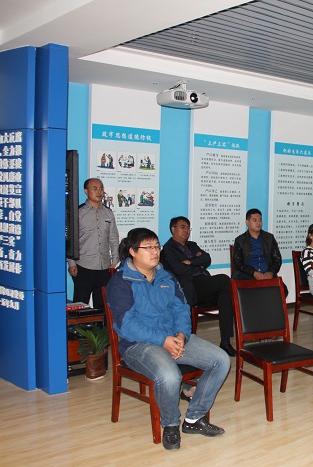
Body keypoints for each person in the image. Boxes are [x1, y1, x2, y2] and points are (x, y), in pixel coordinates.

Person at [106, 228, 230, 451]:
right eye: (148, 247)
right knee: (170, 375)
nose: (155, 252)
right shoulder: (121, 281)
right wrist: (163, 340)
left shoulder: (166, 276)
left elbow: (181, 308)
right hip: (138, 345)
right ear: (132, 251)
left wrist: (181, 335)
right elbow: (128, 324)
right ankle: (171, 424)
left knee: (221, 360)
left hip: (173, 337)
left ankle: (194, 418)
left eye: (157, 246)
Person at [161, 216, 236, 356]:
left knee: (224, 295)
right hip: (190, 287)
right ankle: (237, 325)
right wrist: (197, 261)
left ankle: (225, 342)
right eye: (182, 227)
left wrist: (190, 261)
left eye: (188, 228)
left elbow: (207, 258)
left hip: (203, 283)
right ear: (173, 229)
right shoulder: (168, 249)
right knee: (224, 280)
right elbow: (179, 269)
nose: (186, 231)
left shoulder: (192, 245)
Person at [68, 178, 120, 308]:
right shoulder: (78, 213)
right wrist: (71, 263)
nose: (99, 192)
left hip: (104, 267)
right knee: (80, 304)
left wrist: (115, 261)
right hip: (83, 266)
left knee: (103, 306)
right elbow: (70, 240)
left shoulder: (108, 213)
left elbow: (113, 238)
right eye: (95, 188)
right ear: (86, 191)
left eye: (101, 188)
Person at [232, 208, 287, 296]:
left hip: (267, 274)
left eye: (260, 220)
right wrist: (254, 273)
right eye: (255, 220)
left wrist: (271, 272)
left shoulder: (269, 238)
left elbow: (277, 259)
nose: (258, 223)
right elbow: (237, 263)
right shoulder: (240, 240)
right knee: (256, 288)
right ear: (247, 222)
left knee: (283, 290)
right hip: (247, 274)